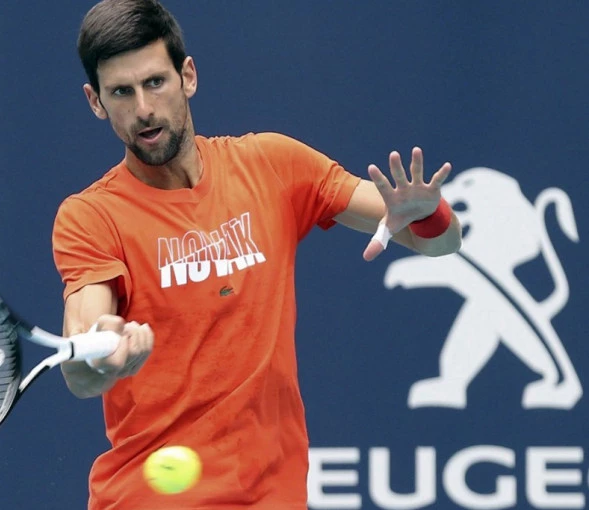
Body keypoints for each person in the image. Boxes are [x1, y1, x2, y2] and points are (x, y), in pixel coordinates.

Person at [51, 1, 462, 508]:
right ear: (95, 101)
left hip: (273, 495)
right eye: (121, 92)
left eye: (155, 82)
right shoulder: (90, 216)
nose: (143, 109)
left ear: (188, 76)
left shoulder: (272, 165)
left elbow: (441, 243)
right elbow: (79, 365)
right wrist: (102, 355)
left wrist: (428, 214)